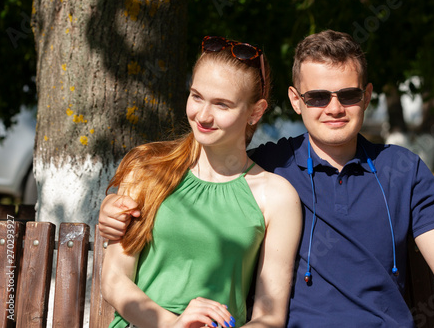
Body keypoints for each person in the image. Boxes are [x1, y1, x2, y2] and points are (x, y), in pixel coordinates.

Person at [99, 30, 434, 327]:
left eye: (348, 95)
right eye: (317, 97)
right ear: (296, 100)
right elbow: (207, 167)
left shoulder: (402, 169)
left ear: (367, 96)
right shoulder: (275, 164)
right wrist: (112, 203)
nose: (334, 108)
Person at [100, 35, 302, 328]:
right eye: (196, 96)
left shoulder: (277, 196)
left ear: (255, 112)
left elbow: (269, 317)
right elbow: (114, 280)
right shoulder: (147, 170)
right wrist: (173, 325)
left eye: (222, 104)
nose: (203, 116)